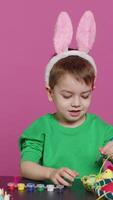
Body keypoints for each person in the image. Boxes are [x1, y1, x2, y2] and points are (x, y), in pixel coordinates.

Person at [19, 11, 113, 186]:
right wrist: (50, 172)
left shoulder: (102, 129)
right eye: (67, 96)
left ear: (92, 90)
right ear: (50, 92)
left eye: (85, 96)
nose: (76, 103)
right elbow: (26, 166)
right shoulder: (41, 128)